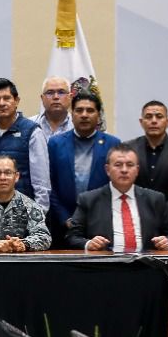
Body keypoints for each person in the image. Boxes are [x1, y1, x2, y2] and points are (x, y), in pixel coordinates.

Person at [66, 146, 168, 252]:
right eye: (118, 165)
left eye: (130, 165)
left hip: (146, 261)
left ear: (137, 170)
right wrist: (89, 244)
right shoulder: (89, 200)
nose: (124, 170)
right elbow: (72, 236)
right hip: (105, 262)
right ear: (107, 169)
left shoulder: (155, 199)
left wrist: (167, 242)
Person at [46, 90, 121, 241]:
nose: (84, 115)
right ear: (72, 114)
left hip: (101, 224)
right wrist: (64, 218)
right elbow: (49, 185)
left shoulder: (112, 144)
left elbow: (116, 185)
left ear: (98, 115)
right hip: (62, 225)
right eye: (79, 110)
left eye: (90, 110)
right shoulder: (55, 143)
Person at [0, 77, 49, 211]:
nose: (2, 103)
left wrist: (39, 214)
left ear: (16, 101)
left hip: (23, 212)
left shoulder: (33, 132)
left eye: (6, 98)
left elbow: (41, 183)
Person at [124, 99, 168, 231]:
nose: (154, 121)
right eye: (148, 117)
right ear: (141, 122)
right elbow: (124, 182)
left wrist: (163, 210)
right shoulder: (128, 148)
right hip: (135, 219)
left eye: (159, 116)